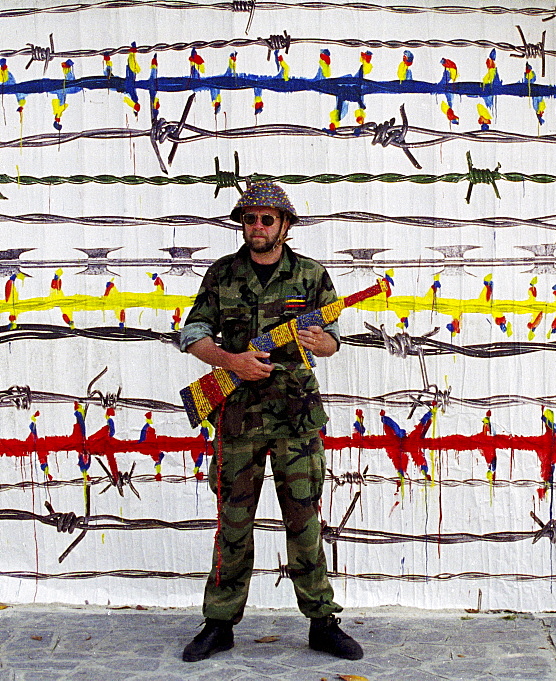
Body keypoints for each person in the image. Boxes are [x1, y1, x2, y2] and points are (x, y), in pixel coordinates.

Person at [178, 180, 363, 662]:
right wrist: (229, 361)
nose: (256, 226)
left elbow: (334, 341)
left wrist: (317, 341)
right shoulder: (222, 274)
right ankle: (219, 623)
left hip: (296, 421)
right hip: (237, 419)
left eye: (266, 219)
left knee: (304, 521)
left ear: (285, 225)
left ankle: (322, 621)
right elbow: (193, 333)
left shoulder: (310, 276)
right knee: (233, 524)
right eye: (249, 219)